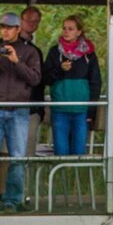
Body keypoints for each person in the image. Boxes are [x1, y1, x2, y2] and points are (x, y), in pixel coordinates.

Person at [0, 12, 42, 213]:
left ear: (17, 30)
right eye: (2, 27)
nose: (4, 31)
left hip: (19, 111)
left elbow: (34, 79)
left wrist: (16, 61)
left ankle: (12, 201)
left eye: (9, 27)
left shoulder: (29, 52)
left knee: (17, 158)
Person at [42, 14, 102, 156]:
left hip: (81, 111)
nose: (66, 32)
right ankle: (61, 178)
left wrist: (91, 110)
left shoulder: (89, 55)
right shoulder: (54, 52)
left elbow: (96, 83)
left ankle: (75, 178)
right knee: (61, 152)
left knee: (79, 152)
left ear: (79, 32)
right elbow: (45, 78)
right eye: (64, 28)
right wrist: (60, 70)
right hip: (60, 109)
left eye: (71, 29)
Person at [20, 6, 46, 156]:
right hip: (9, 107)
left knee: (27, 152)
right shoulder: (3, 46)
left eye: (36, 21)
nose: (32, 23)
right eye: (29, 20)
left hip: (32, 109)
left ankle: (24, 180)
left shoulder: (36, 51)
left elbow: (39, 80)